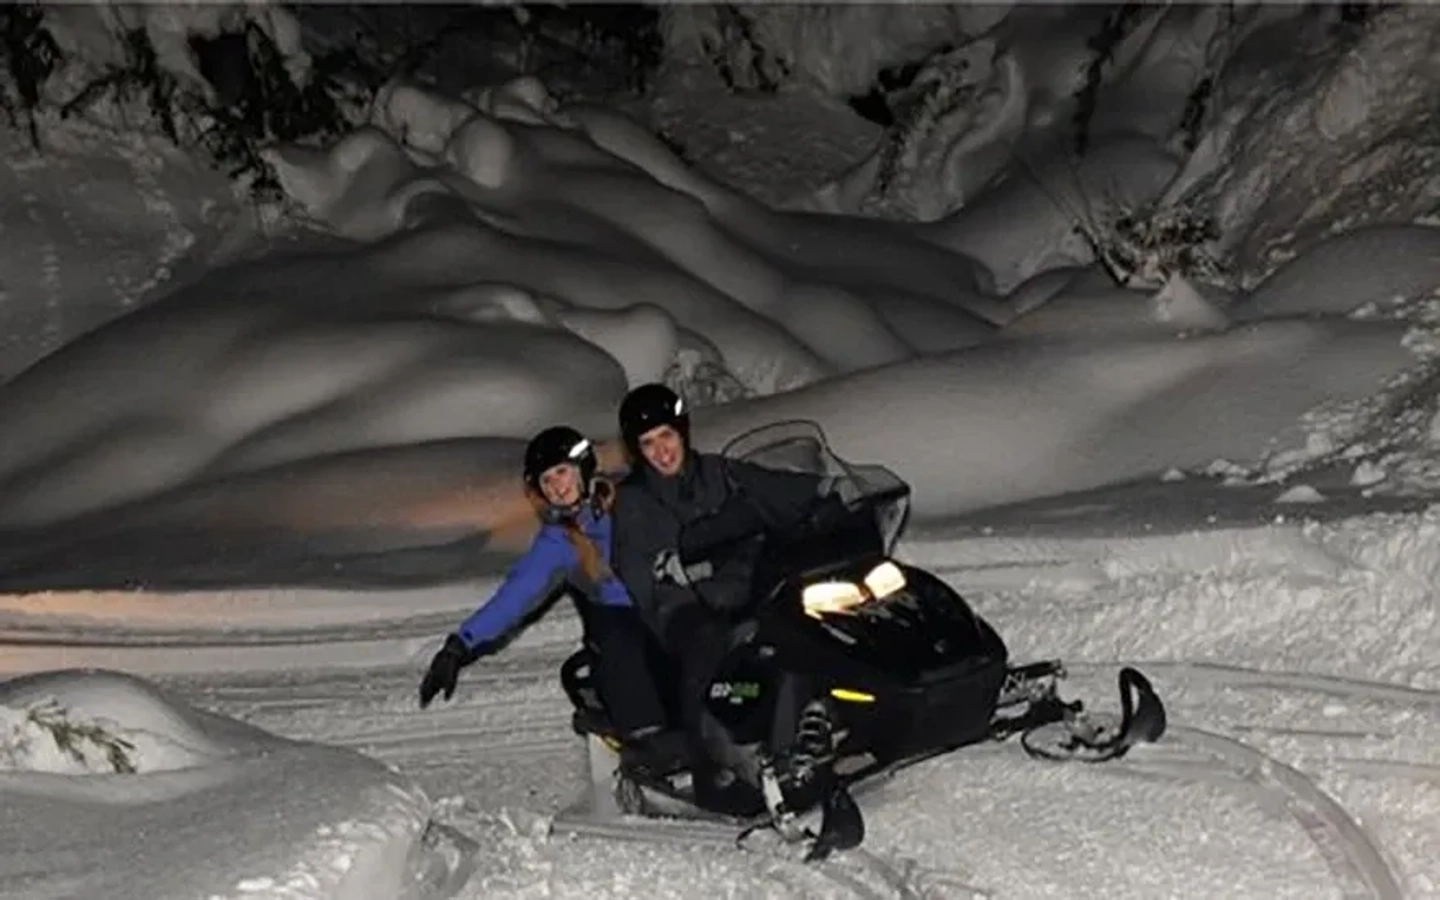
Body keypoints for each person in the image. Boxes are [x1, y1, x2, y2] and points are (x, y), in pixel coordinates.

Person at [610, 383, 831, 807]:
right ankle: (715, 766)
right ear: (637, 451)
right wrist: (690, 570)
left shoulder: (719, 472)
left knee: (805, 612)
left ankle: (822, 717)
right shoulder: (634, 502)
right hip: (682, 608)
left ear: (683, 433)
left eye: (667, 437)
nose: (662, 451)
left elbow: (777, 489)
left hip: (745, 588)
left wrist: (826, 492)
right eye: (649, 443)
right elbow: (645, 572)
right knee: (710, 641)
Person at [418, 424, 684, 770]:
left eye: (562, 472)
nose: (557, 487)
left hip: (668, 600)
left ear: (584, 469)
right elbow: (517, 595)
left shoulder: (630, 499)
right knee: (623, 640)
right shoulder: (560, 541)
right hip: (619, 621)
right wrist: (459, 645)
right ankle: (648, 739)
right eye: (547, 481)